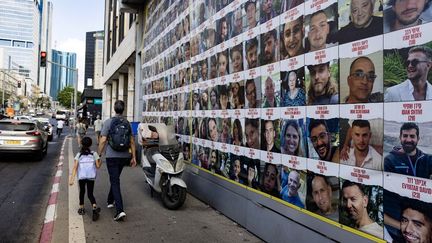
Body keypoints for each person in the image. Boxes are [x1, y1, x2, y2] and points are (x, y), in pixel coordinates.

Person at [384, 122, 432, 239]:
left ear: (418, 139)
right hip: (398, 222)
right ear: (400, 138)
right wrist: (400, 226)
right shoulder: (390, 161)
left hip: (421, 219)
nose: (408, 139)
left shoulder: (427, 159)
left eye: (412, 136)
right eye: (405, 136)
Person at [98, 100, 137, 221]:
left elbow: (103, 140)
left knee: (115, 181)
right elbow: (131, 141)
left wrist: (98, 155)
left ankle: (120, 210)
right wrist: (134, 157)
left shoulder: (108, 122)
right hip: (124, 157)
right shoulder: (127, 123)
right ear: (123, 109)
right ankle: (110, 200)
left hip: (112, 156)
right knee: (115, 179)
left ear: (114, 109)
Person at [69, 136, 102, 221]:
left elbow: (75, 167)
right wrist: (100, 160)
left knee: (82, 192)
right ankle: (94, 207)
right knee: (90, 193)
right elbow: (98, 166)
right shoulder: (94, 153)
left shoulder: (79, 154)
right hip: (91, 176)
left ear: (81, 144)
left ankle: (81, 208)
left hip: (82, 177)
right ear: (90, 144)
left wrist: (72, 178)